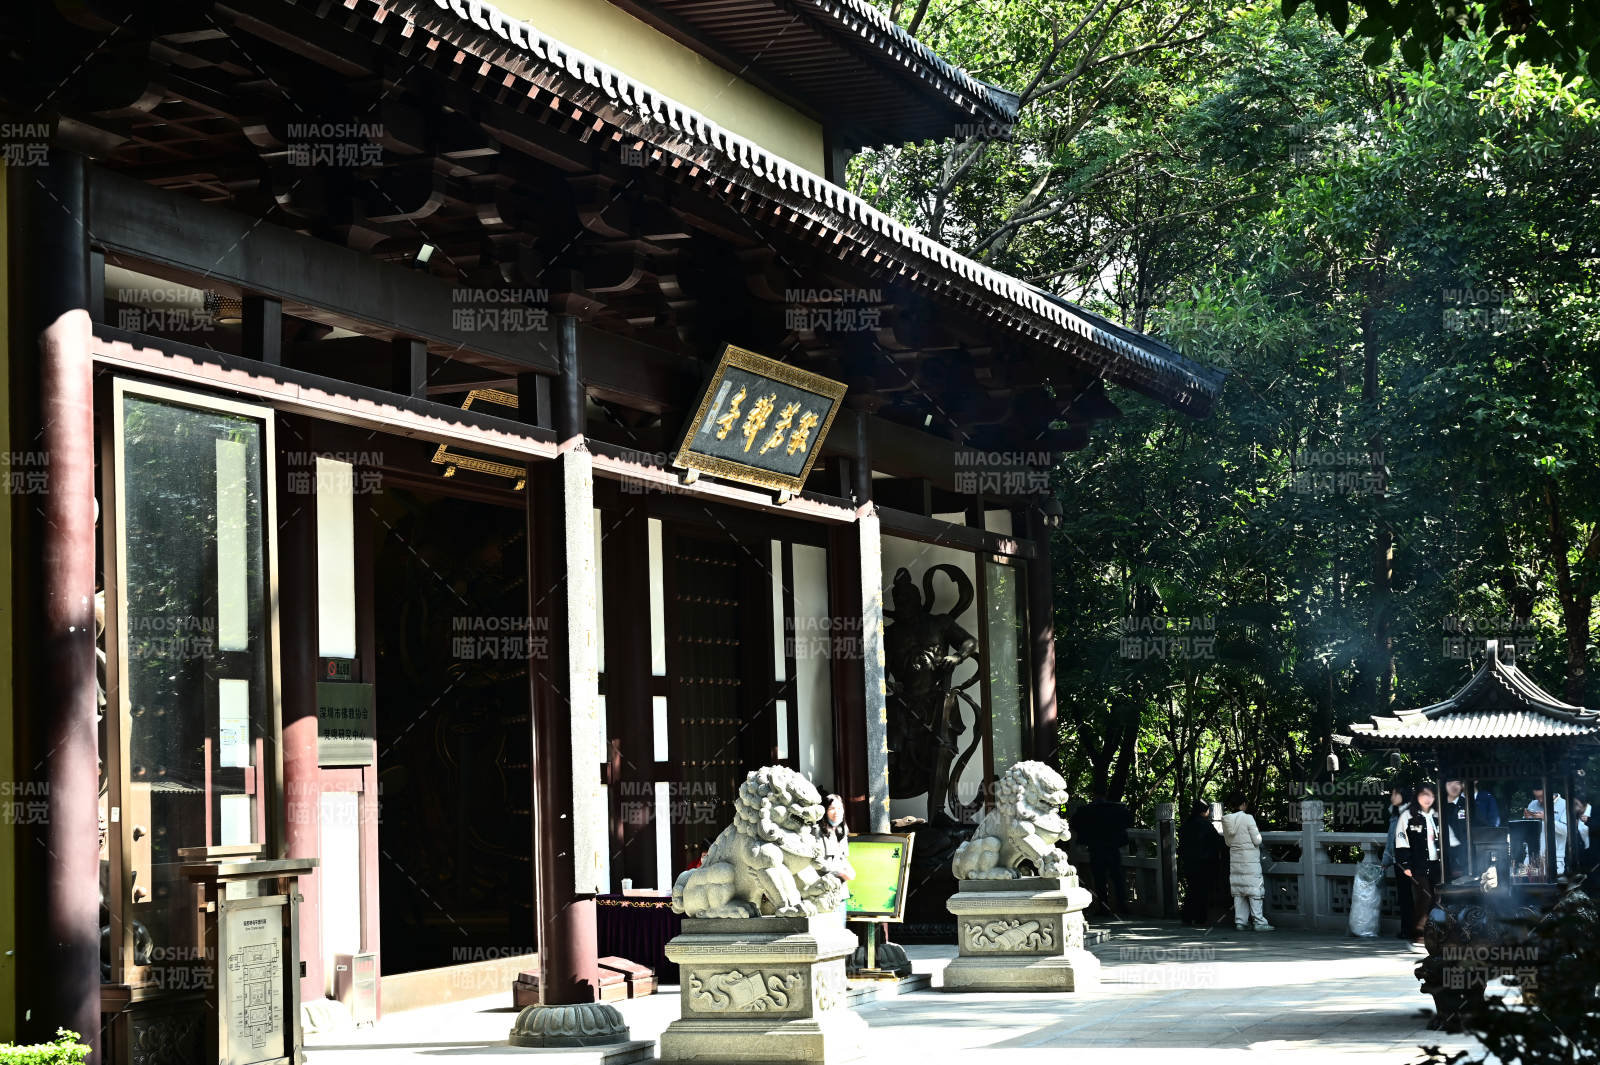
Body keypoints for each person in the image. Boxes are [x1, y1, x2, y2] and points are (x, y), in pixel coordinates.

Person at [1069, 789, 1134, 917]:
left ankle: (1103, 907)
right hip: (1113, 848)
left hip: (1096, 848)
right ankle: (1122, 906)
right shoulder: (1115, 809)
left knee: (1099, 879)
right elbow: (1129, 821)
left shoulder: (1088, 810)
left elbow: (1074, 823)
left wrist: (1088, 833)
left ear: (1094, 796)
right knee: (1118, 877)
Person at [1394, 784, 1442, 944]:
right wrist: (1405, 865)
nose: (1427, 798)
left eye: (1431, 795)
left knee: (1437, 896)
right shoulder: (1407, 816)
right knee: (1424, 896)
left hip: (1436, 863)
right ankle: (1419, 931)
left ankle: (1433, 931)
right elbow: (1401, 842)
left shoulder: (1437, 815)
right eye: (1424, 795)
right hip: (1417, 864)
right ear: (1417, 797)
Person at [1221, 794, 1273, 931]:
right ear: (1243, 804)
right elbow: (1257, 840)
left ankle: (1240, 922)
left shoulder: (1226, 820)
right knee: (1255, 890)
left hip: (1236, 859)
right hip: (1249, 859)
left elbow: (1228, 842)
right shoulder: (1248, 818)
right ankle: (1259, 921)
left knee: (1239, 891)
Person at [1179, 799, 1228, 927]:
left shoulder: (1186, 825)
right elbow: (1218, 842)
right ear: (1204, 811)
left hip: (1190, 863)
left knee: (1192, 890)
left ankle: (1187, 916)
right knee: (1203, 891)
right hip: (1205, 863)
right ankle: (1200, 918)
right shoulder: (1205, 825)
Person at [1381, 785, 1415, 940]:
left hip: (1411, 862)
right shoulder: (1395, 815)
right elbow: (1390, 841)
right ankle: (1407, 929)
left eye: (1395, 793)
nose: (1392, 797)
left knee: (1413, 897)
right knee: (1404, 897)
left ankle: (1414, 929)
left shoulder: (1411, 814)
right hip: (1399, 862)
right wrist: (1386, 860)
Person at [1525, 787, 1568, 875]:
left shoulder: (1565, 804)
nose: (1539, 800)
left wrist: (1547, 818)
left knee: (1551, 888)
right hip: (1531, 857)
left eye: (1542, 796)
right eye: (1536, 797)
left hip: (1555, 858)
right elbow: (1525, 832)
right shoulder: (1532, 804)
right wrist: (1527, 820)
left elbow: (1567, 830)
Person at [817, 793, 856, 886]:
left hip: (840, 885)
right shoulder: (817, 831)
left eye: (839, 808)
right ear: (825, 811)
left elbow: (843, 857)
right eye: (831, 808)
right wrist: (839, 872)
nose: (836, 812)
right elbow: (817, 861)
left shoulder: (843, 830)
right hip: (822, 885)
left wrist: (848, 869)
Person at [1441, 778, 1469, 880]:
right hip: (1444, 856)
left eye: (1457, 783)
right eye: (1450, 783)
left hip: (1465, 855)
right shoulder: (1438, 805)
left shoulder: (1467, 804)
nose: (1453, 786)